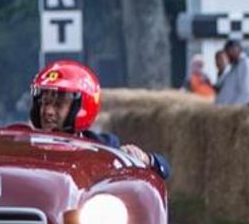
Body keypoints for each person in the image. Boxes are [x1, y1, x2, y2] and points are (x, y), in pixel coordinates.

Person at [29, 60, 170, 180]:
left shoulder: (104, 147)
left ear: (81, 108)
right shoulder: (22, 143)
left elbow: (164, 168)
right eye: (44, 102)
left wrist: (144, 158)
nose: (48, 111)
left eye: (58, 105)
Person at [214, 39, 249, 107]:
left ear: (235, 50)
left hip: (239, 111)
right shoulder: (234, 66)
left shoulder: (246, 64)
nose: (227, 56)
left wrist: (233, 108)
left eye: (228, 52)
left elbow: (247, 92)